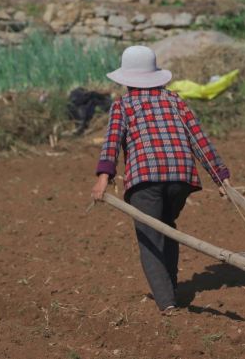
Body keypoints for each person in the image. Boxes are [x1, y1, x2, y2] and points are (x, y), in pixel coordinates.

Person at [91, 45, 231, 314]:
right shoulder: (175, 100)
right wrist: (220, 178)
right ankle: (171, 287)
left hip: (145, 178)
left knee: (150, 236)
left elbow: (111, 143)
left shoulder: (123, 105)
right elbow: (200, 141)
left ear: (127, 80)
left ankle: (167, 302)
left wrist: (102, 180)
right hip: (181, 176)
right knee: (167, 225)